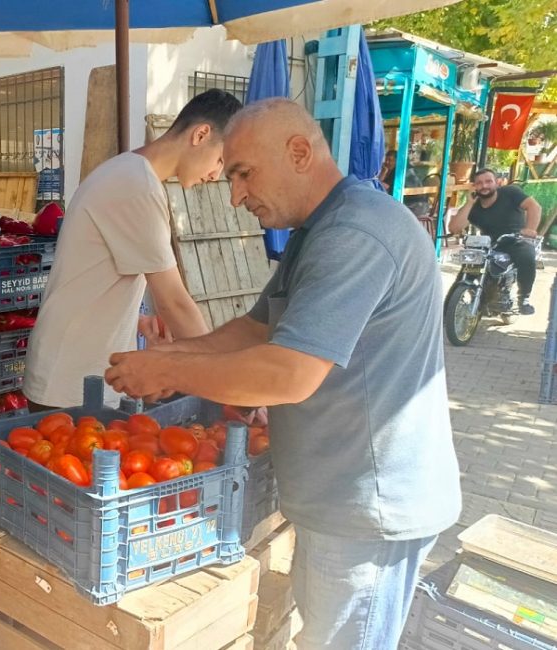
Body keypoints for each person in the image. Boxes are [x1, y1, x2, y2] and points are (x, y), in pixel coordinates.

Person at [104, 98, 461, 649]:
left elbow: (288, 373)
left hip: (368, 506)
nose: (235, 194)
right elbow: (255, 331)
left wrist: (168, 368)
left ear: (299, 152)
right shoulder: (322, 229)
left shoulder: (356, 234)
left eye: (244, 173)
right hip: (342, 497)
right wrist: (169, 365)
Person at [22, 88, 243, 408]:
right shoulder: (136, 184)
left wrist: (136, 320)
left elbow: (98, 273)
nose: (215, 175)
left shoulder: (132, 173)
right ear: (201, 134)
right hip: (70, 381)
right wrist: (222, 382)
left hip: (84, 374)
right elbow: (174, 302)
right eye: (220, 159)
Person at [447, 168, 543, 314]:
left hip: (515, 240)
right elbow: (454, 227)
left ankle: (524, 297)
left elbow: (534, 207)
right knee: (469, 267)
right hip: (490, 244)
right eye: (479, 183)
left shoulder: (511, 193)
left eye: (488, 181)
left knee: (526, 255)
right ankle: (449, 307)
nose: (484, 186)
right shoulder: (474, 206)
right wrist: (469, 203)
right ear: (474, 186)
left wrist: (530, 229)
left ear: (497, 183)